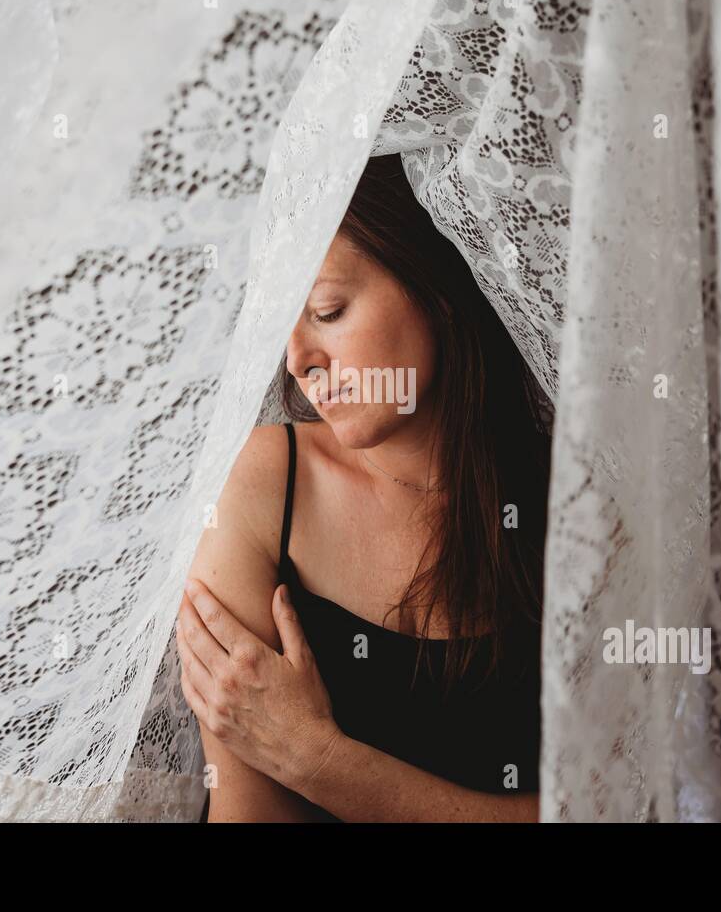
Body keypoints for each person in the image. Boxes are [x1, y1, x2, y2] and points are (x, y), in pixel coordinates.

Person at [176, 154, 552, 821]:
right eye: (283, 322)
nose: (299, 359)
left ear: (432, 279)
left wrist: (319, 760)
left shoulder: (574, 507)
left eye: (328, 309)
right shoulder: (264, 487)